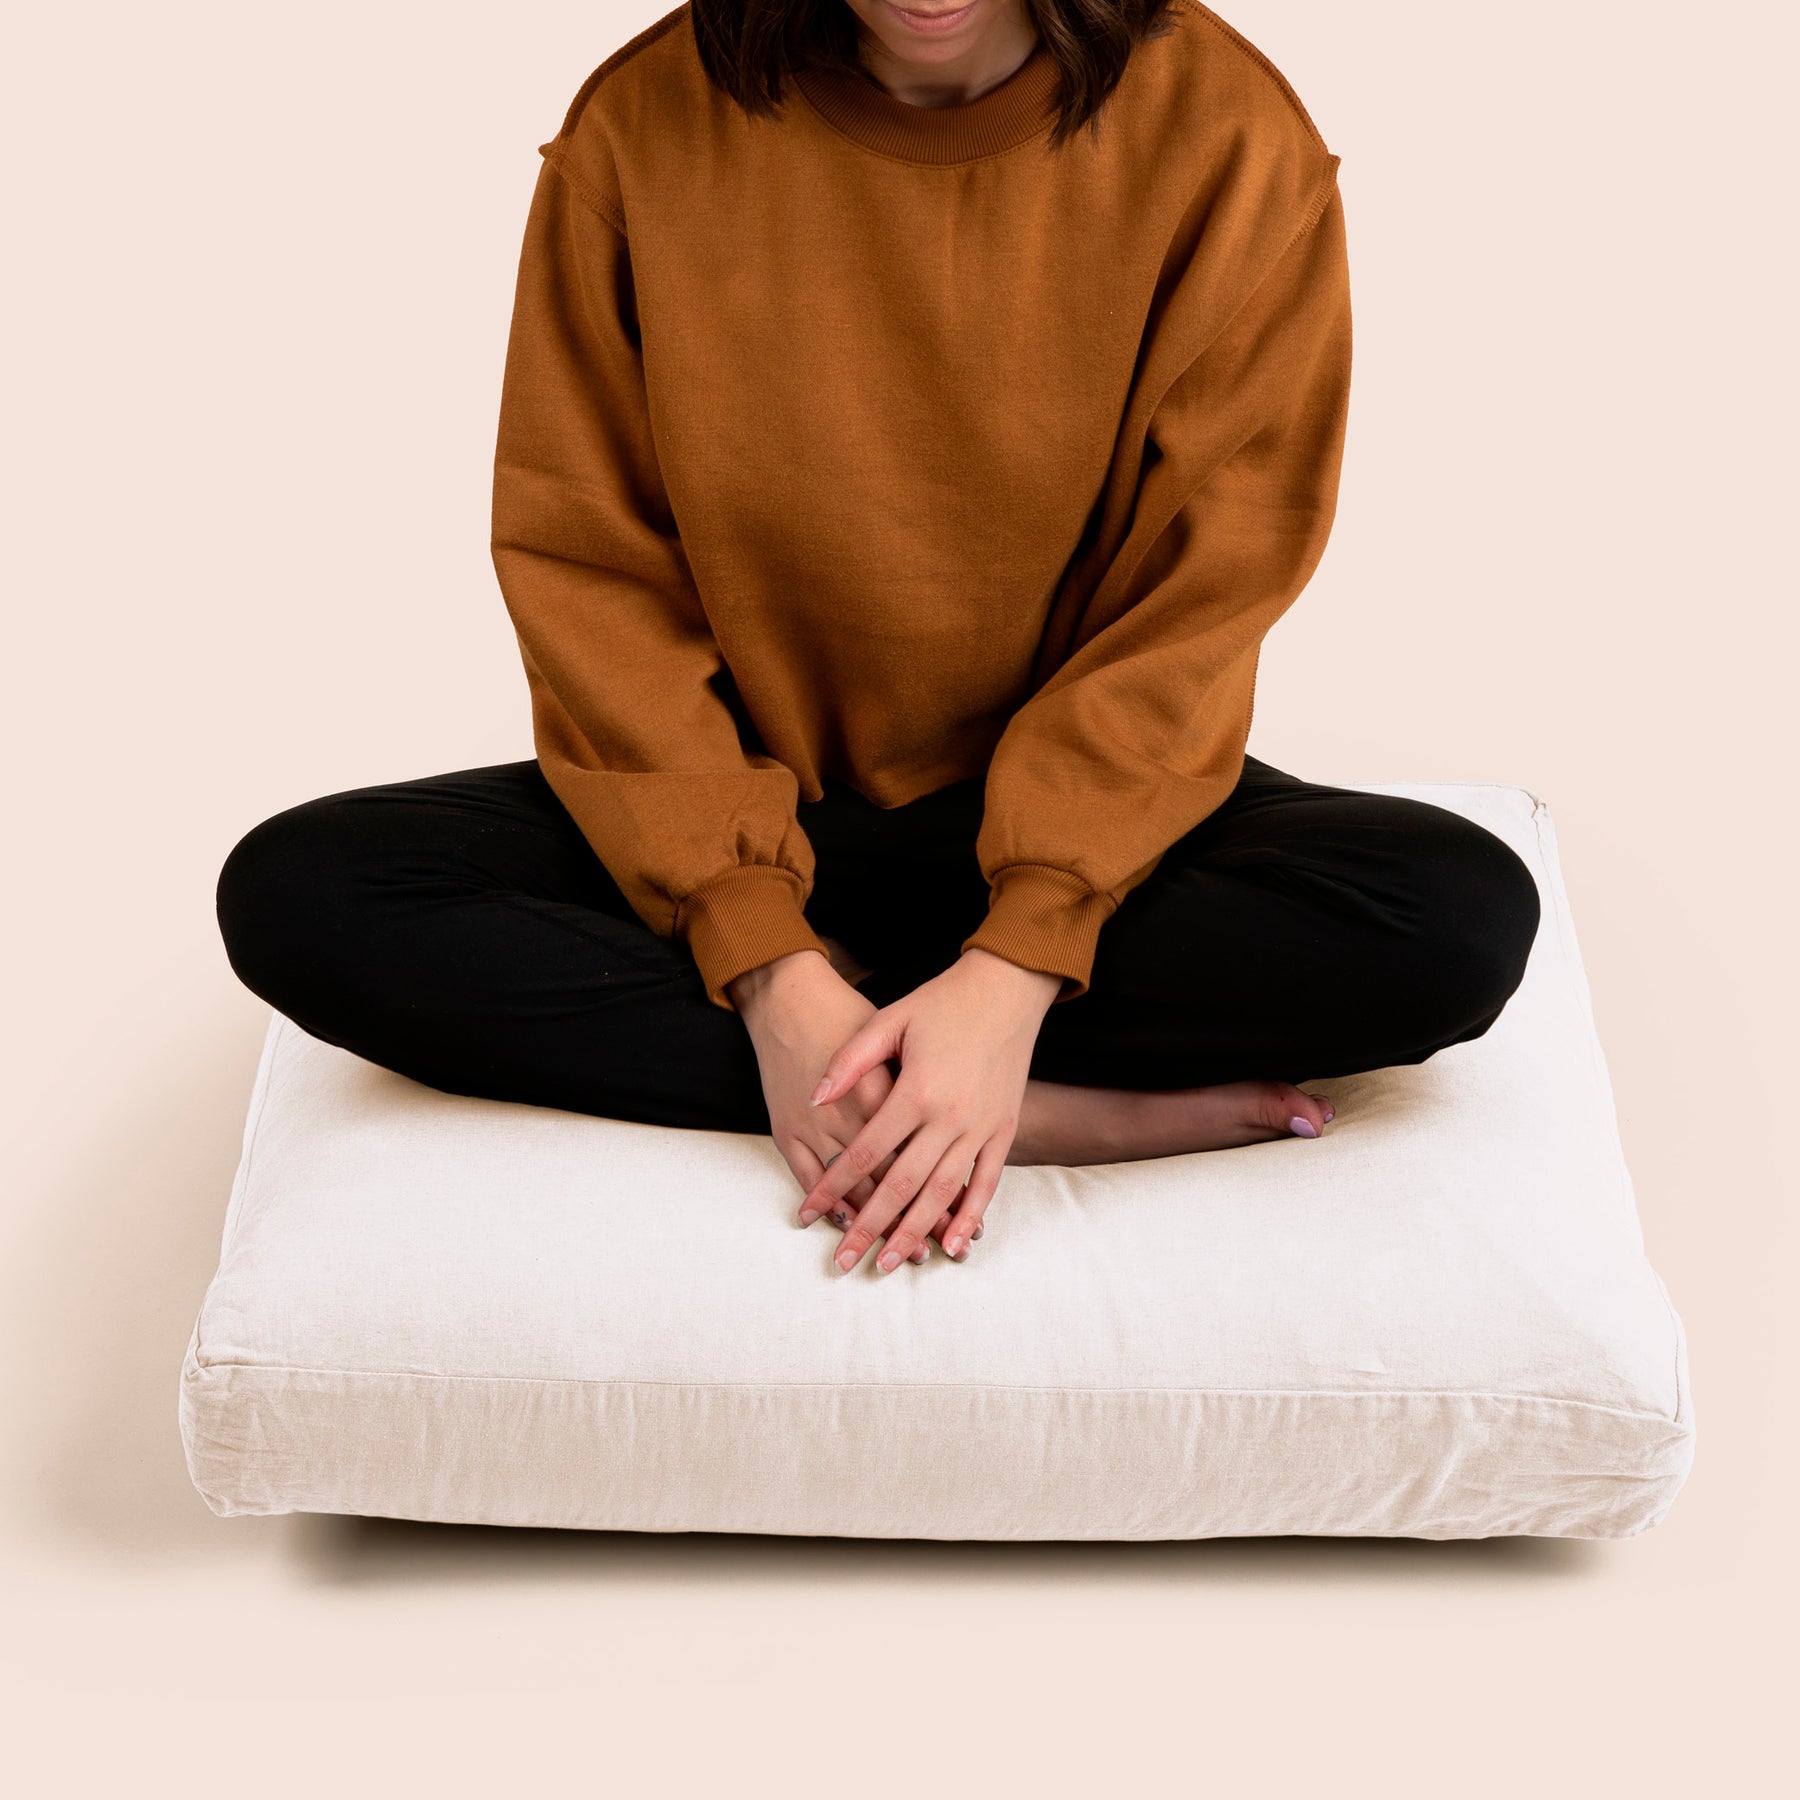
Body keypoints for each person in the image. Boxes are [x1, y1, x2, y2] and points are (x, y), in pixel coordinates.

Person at [216, 0, 1542, 1278]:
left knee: (1456, 918)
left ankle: (932, 1060)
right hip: (738, 810)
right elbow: (589, 569)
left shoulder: (1230, 137)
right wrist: (764, 962)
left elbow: (1201, 595)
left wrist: (1019, 960)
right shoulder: (642, 126)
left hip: (1076, 831)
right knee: (303, 894)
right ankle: (1015, 1108)